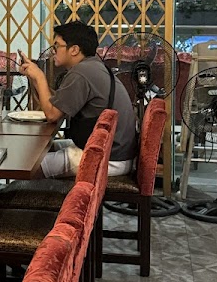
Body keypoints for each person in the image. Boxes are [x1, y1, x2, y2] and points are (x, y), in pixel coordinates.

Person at [19, 21, 138, 177]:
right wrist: (34, 77)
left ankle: (19, 191)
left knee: (29, 165)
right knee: (39, 150)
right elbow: (58, 103)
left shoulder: (81, 73)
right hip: (113, 150)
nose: (53, 51)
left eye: (57, 46)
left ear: (74, 50)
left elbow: (52, 115)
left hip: (108, 158)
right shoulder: (92, 66)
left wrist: (40, 77)